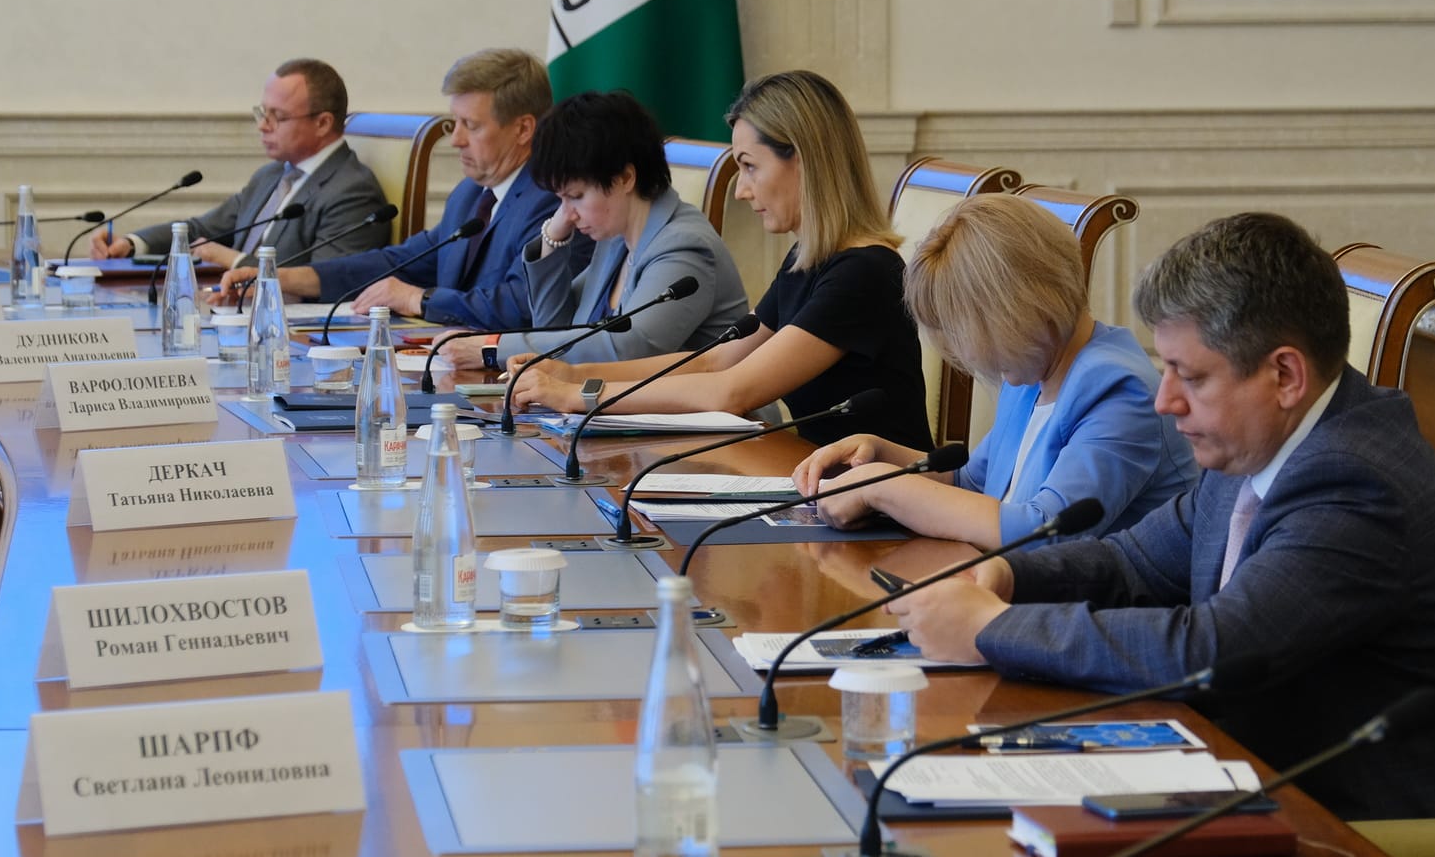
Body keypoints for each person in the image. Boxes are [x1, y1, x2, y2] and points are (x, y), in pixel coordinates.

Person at [888, 212, 1435, 822]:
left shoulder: (1356, 482)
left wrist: (993, 628)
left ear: (1285, 375)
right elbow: (1132, 562)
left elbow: (1215, 650)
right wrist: (1007, 577)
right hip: (1261, 783)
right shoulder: (1254, 446)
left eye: (1189, 376)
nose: (1165, 400)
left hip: (1389, 845)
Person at [507, 70, 931, 448]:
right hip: (818, 481)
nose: (741, 190)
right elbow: (713, 360)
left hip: (879, 496)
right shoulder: (808, 261)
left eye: (750, 167)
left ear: (803, 160)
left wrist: (578, 396)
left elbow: (731, 391)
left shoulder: (863, 273)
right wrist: (571, 373)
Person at [788, 194, 1193, 547]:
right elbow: (972, 486)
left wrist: (884, 487)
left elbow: (1044, 532)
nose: (964, 352)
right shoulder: (1033, 368)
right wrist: (880, 454)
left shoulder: (1118, 391)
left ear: (1019, 307)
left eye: (965, 329)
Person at [217, 48, 563, 329]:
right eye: (454, 123)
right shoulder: (470, 194)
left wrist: (417, 299)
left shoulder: (552, 201)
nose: (456, 140)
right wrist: (283, 278)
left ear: (523, 129)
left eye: (470, 126)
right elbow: (400, 262)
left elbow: (523, 304)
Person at [437, 91, 748, 369]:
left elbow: (629, 350)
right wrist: (553, 237)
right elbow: (555, 330)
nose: (567, 214)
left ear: (625, 178)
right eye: (561, 199)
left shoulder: (685, 246)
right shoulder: (616, 241)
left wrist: (494, 348)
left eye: (575, 196)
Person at [89, 58, 391, 268]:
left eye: (278, 117)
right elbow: (201, 229)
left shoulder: (351, 191)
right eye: (262, 113)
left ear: (323, 123)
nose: (263, 126)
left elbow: (326, 280)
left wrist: (232, 260)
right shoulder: (272, 175)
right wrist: (132, 243)